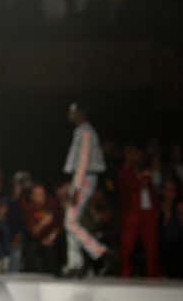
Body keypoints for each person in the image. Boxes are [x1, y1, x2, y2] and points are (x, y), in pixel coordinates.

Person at [62, 103, 110, 277]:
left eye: (73, 112)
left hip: (85, 178)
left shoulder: (86, 132)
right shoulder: (81, 131)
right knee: (70, 221)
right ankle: (75, 264)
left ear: (82, 113)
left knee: (70, 222)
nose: (70, 114)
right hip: (80, 178)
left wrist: (75, 188)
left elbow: (83, 162)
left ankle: (100, 252)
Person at [118, 145, 160, 277]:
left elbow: (156, 189)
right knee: (127, 247)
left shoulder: (149, 170)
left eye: (136, 153)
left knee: (151, 247)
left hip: (149, 213)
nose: (134, 156)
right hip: (132, 213)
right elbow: (129, 186)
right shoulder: (124, 171)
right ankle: (125, 274)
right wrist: (143, 179)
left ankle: (152, 275)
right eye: (130, 153)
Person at [21, 184, 63, 274]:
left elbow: (60, 223)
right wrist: (42, 224)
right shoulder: (29, 209)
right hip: (38, 240)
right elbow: (32, 232)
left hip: (54, 237)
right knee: (33, 248)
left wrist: (53, 235)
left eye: (42, 194)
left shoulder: (52, 204)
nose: (41, 197)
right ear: (32, 196)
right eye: (38, 195)